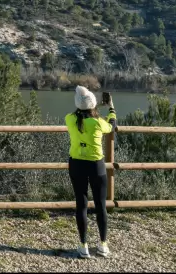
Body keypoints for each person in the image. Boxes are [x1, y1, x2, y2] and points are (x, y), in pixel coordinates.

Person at [66, 86, 117, 259]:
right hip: (96, 166)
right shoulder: (98, 123)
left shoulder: (70, 119)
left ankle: (83, 246)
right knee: (100, 205)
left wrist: (93, 108)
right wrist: (111, 107)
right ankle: (103, 245)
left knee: (81, 205)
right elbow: (111, 125)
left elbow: (82, 114)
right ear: (92, 105)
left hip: (77, 165)